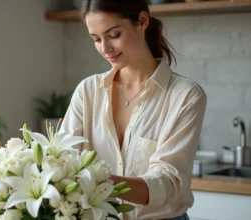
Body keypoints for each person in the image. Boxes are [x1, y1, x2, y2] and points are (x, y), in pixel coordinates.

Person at [59, 0, 207, 219]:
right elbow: (64, 156)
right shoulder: (88, 91)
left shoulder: (185, 95)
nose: (105, 48)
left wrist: (98, 181)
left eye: (114, 35)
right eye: (97, 39)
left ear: (142, 21)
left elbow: (167, 182)